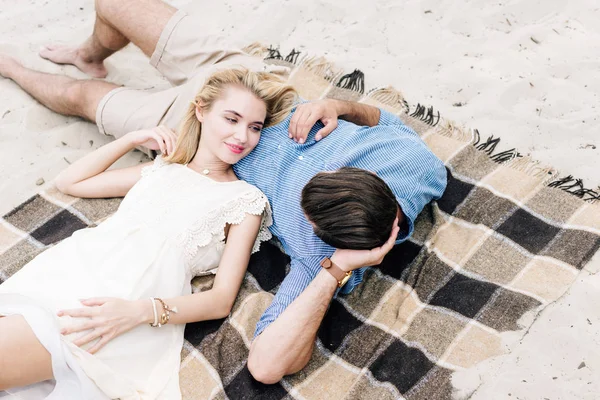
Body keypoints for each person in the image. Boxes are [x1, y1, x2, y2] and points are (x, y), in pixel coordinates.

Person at [0, 0, 447, 385]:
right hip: (251, 90)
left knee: (82, 97)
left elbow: (266, 363)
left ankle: (16, 68)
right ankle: (89, 52)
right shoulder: (415, 165)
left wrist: (336, 271)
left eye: (303, 213)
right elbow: (383, 119)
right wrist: (338, 105)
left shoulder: (320, 253)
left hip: (184, 130)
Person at [0, 68, 297, 398]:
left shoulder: (244, 201)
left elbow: (220, 301)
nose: (242, 136)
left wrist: (139, 311)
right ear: (201, 110)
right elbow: (71, 182)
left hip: (123, 301)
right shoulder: (161, 170)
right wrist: (132, 139)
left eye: (254, 127)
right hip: (69, 270)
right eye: (231, 119)